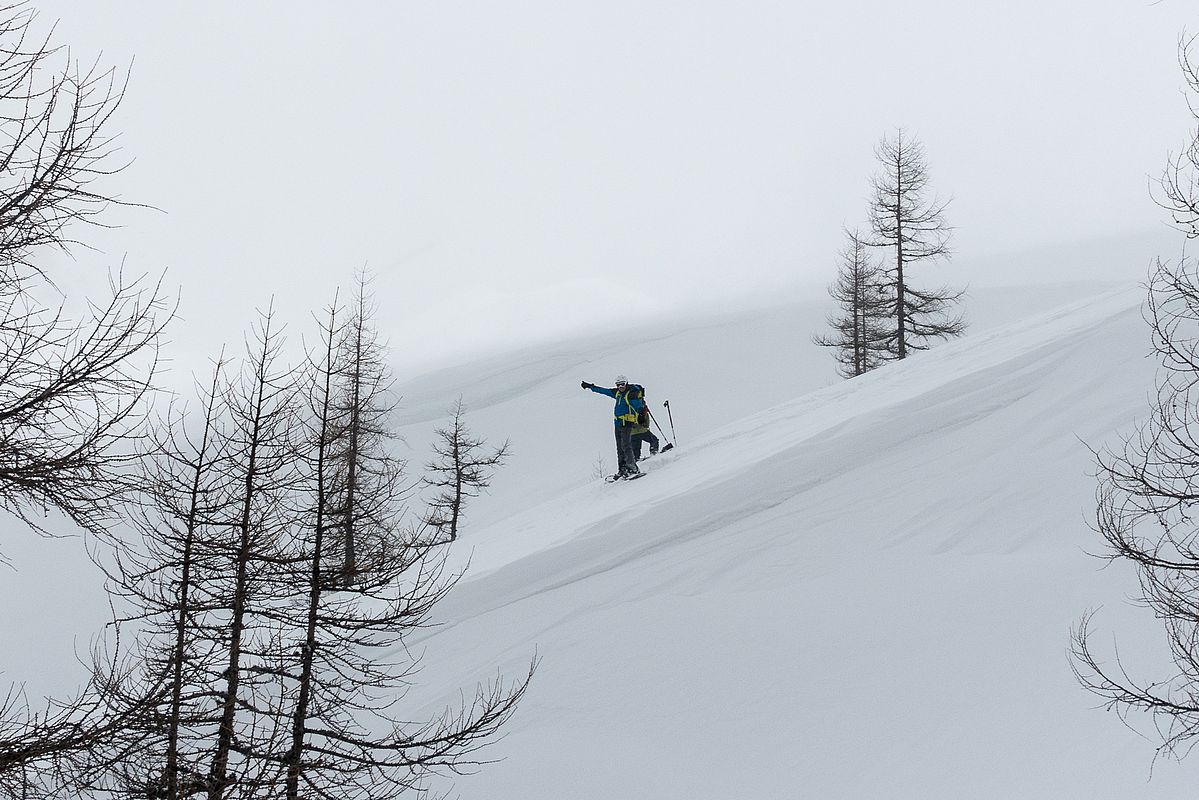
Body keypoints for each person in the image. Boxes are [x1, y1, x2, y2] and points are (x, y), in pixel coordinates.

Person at [581, 374, 646, 479]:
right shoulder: (617, 393)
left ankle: (633, 468)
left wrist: (641, 415)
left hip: (627, 423)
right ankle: (622, 469)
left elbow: (638, 406)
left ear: (626, 383)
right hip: (618, 424)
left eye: (622, 384)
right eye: (618, 385)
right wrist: (590, 387)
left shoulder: (631, 394)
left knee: (626, 446)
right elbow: (604, 391)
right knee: (619, 448)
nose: (621, 387)